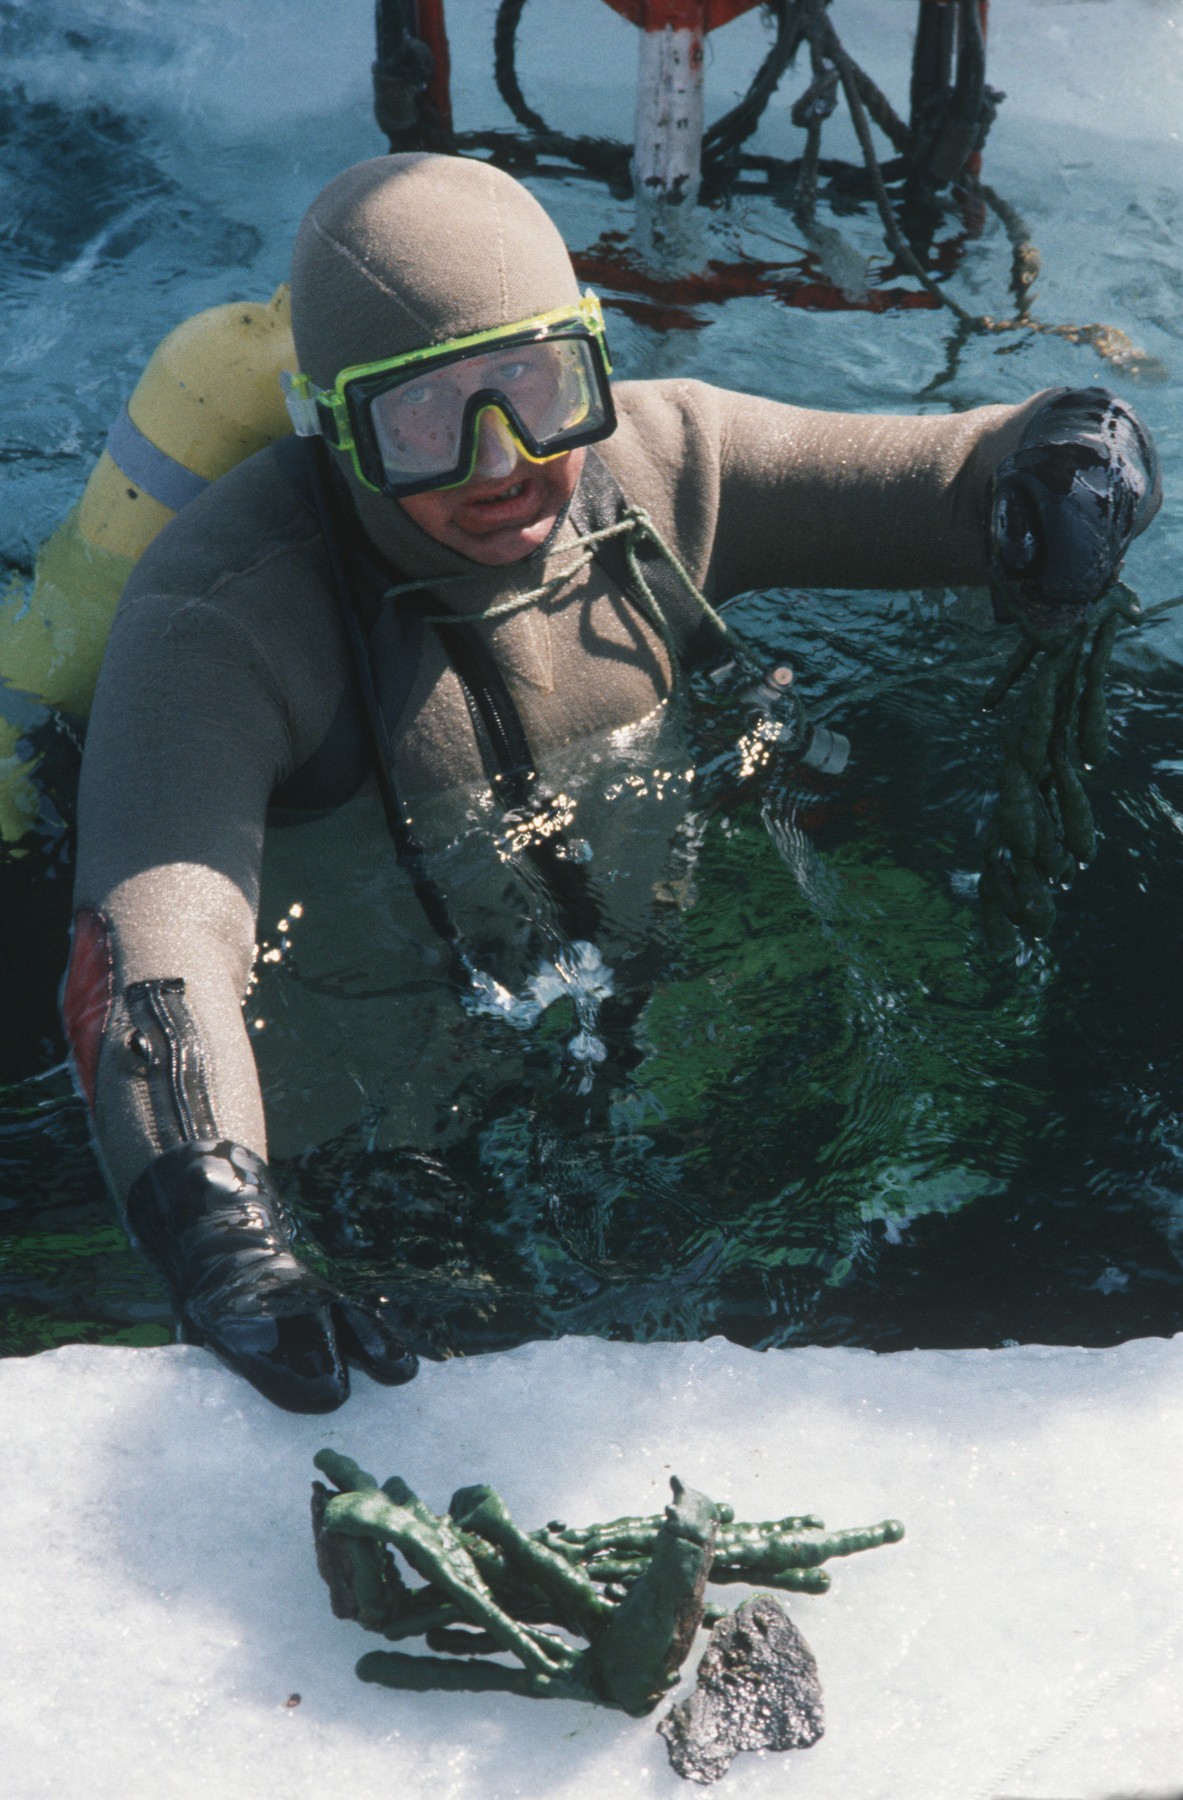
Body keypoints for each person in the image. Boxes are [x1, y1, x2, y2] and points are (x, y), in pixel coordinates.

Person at [62, 153, 1160, 1413]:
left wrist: (1076, 460)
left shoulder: (662, 464)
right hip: (360, 1140)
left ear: (590, 353)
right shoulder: (220, 620)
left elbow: (964, 474)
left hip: (649, 1038)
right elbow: (154, 944)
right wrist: (223, 1232)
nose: (501, 463)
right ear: (335, 427)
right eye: (423, 420)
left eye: (534, 387)